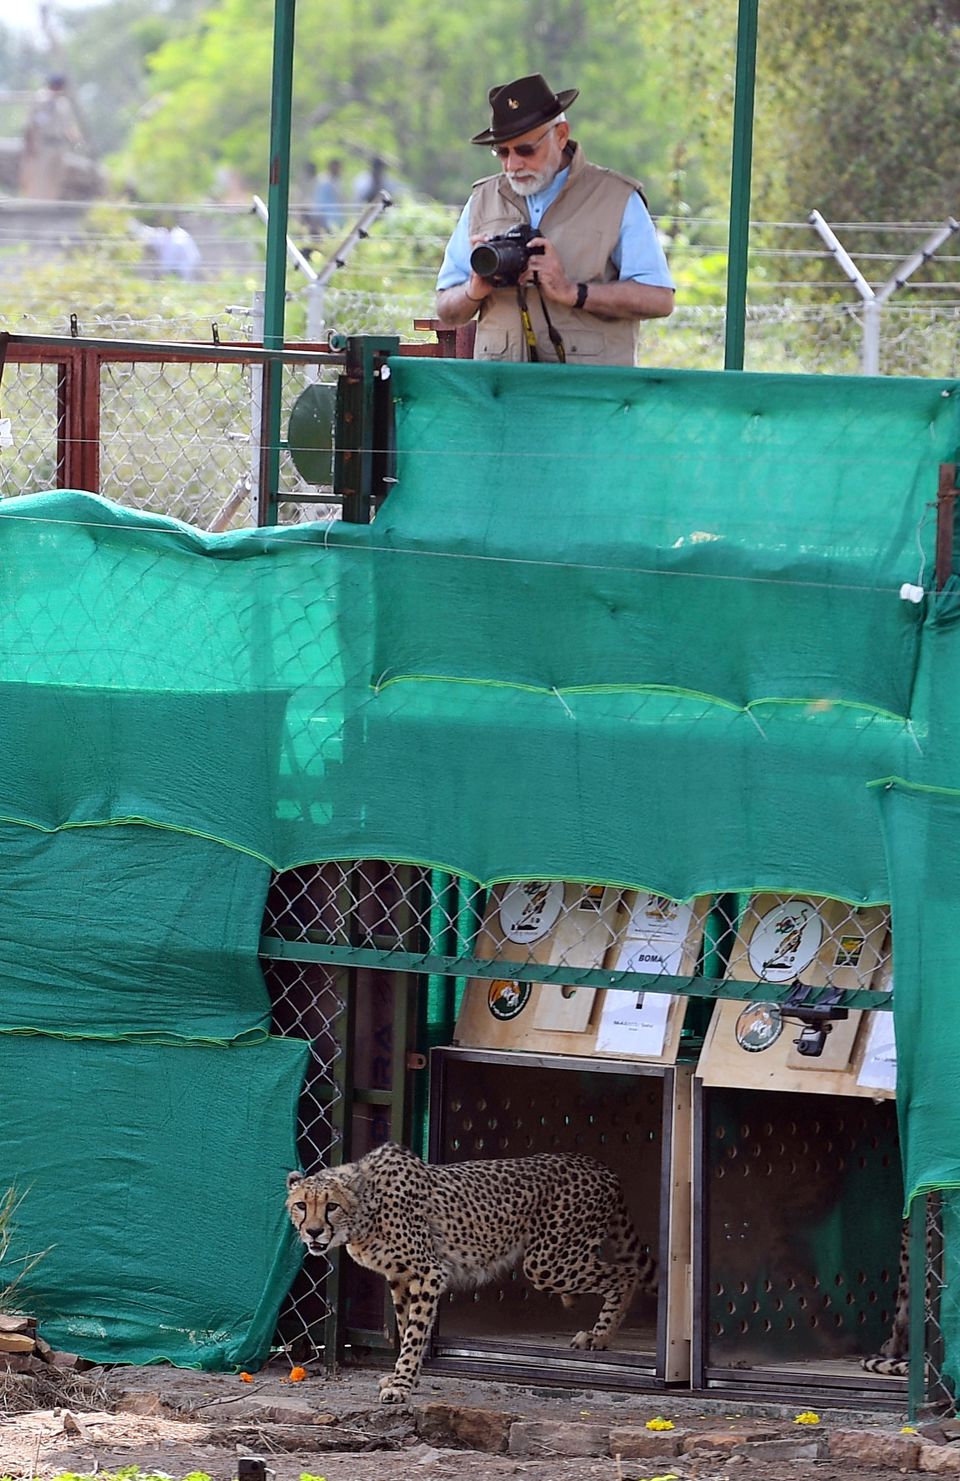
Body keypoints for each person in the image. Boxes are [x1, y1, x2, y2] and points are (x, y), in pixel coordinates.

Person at [436, 73, 674, 365]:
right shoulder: (482, 199)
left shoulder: (617, 197)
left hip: (589, 397)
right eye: (501, 152)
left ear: (561, 135)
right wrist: (473, 290)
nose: (513, 164)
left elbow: (660, 299)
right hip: (502, 396)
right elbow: (446, 308)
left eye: (525, 149)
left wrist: (573, 292)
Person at [19, 73, 84, 201]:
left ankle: (49, 205)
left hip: (58, 144)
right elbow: (30, 125)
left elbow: (68, 125)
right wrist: (30, 146)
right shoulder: (40, 99)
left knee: (55, 178)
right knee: (39, 178)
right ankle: (34, 204)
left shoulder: (63, 103)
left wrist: (77, 139)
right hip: (43, 144)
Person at [311, 157, 347, 233]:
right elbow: (319, 201)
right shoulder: (323, 181)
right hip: (325, 218)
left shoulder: (338, 181)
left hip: (337, 218)